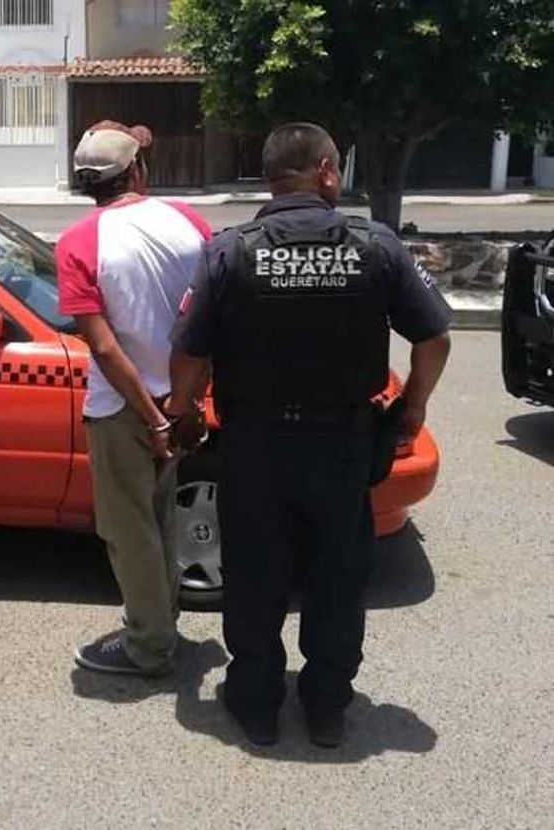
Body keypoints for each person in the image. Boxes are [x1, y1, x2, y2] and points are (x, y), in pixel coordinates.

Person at [168, 123, 452, 747]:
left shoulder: (229, 251)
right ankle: (325, 708)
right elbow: (434, 337)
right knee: (337, 577)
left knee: (255, 575)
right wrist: (413, 407)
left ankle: (257, 705)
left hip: (255, 447)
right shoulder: (374, 246)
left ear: (271, 178)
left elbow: (188, 354)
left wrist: (185, 412)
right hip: (341, 446)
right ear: (325, 170)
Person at [57, 120, 211, 676]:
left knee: (129, 530)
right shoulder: (188, 221)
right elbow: (208, 319)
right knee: (161, 517)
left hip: (122, 408)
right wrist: (185, 404)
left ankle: (148, 646)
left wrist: (152, 417)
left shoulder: (78, 243)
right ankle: (161, 621)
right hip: (177, 397)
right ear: (136, 171)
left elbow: (102, 346)